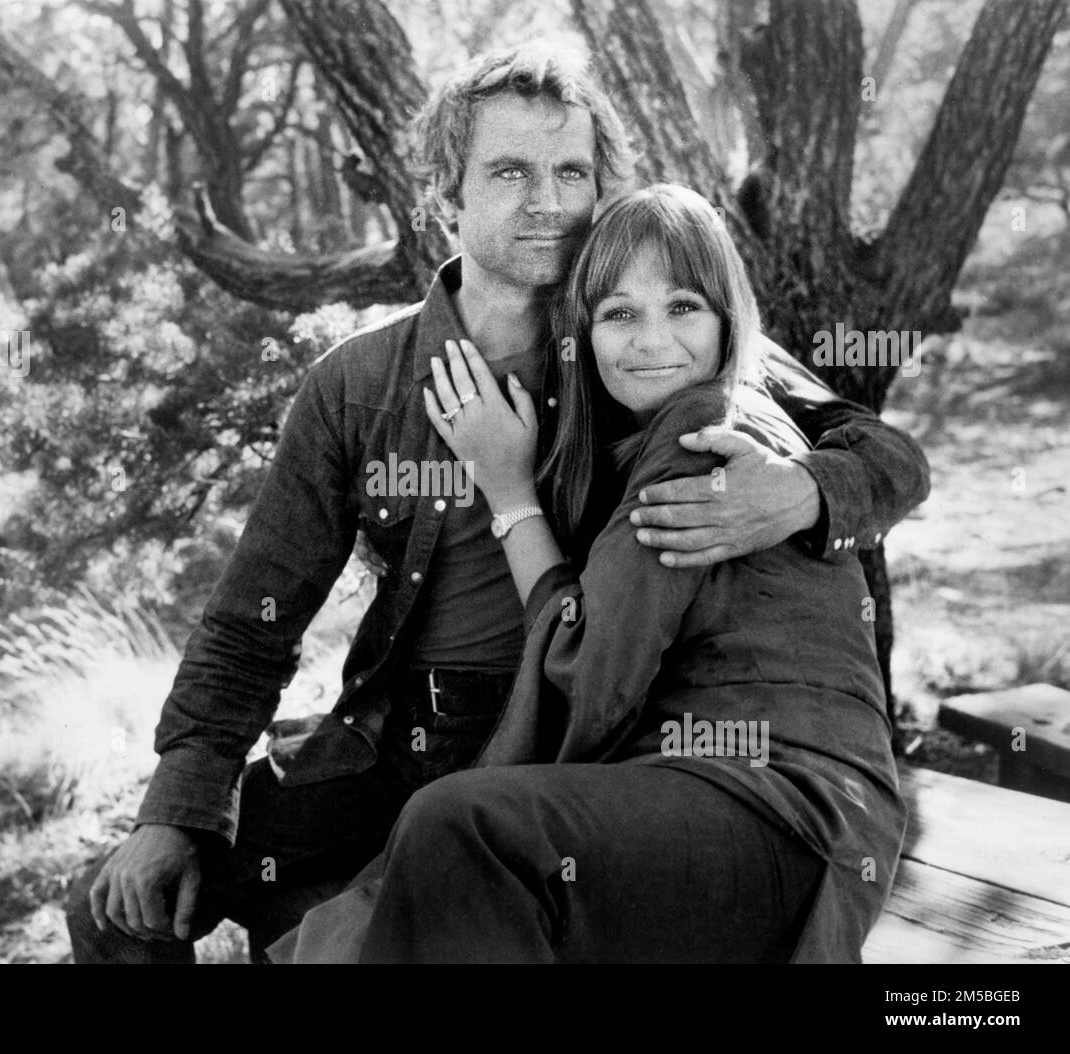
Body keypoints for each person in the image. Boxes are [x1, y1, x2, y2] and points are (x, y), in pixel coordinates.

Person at [64, 44, 928, 964]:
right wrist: (181, 804)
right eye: (511, 171)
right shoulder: (360, 386)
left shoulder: (644, 339)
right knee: (112, 905)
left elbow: (885, 454)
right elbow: (250, 626)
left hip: (576, 745)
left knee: (435, 875)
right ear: (446, 194)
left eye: (572, 172)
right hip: (396, 745)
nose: (548, 201)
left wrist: (799, 494)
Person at [351, 184, 906, 963]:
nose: (652, 341)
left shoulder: (701, 428)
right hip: (755, 813)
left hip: (783, 809)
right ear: (582, 334)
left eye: (682, 307)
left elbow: (590, 676)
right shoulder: (666, 422)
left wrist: (508, 491)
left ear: (726, 319)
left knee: (460, 828)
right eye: (618, 314)